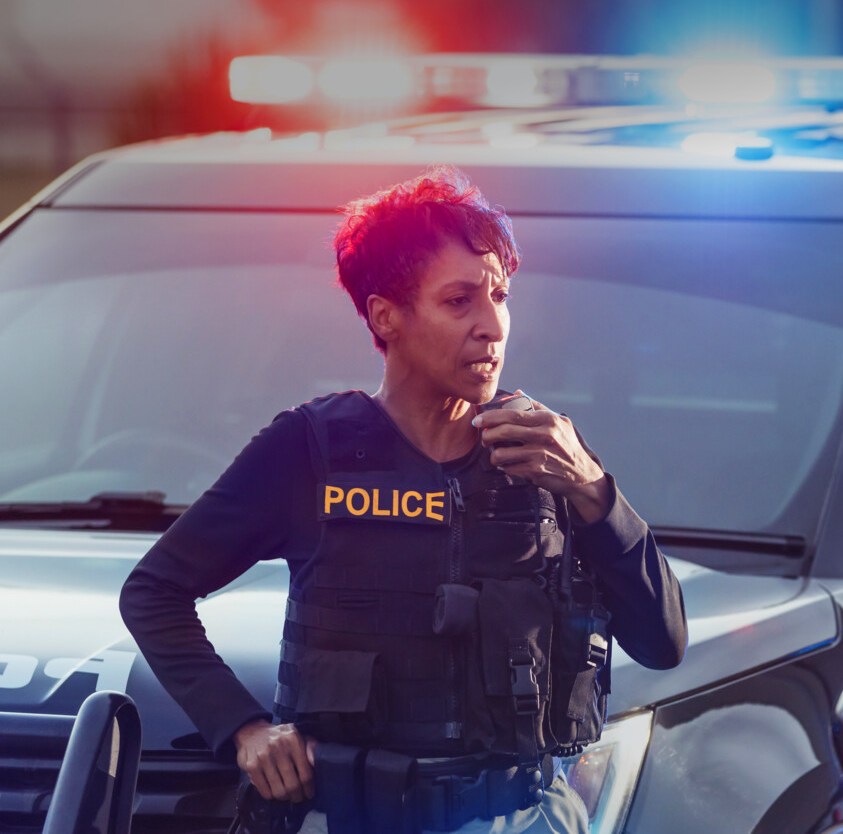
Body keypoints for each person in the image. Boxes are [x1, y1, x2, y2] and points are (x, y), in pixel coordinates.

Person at [119, 167, 687, 834]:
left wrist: (592, 489)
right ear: (386, 316)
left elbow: (663, 643)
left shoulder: (547, 452)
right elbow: (153, 592)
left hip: (524, 816)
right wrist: (242, 729)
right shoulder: (309, 452)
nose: (492, 326)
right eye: (459, 301)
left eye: (500, 296)